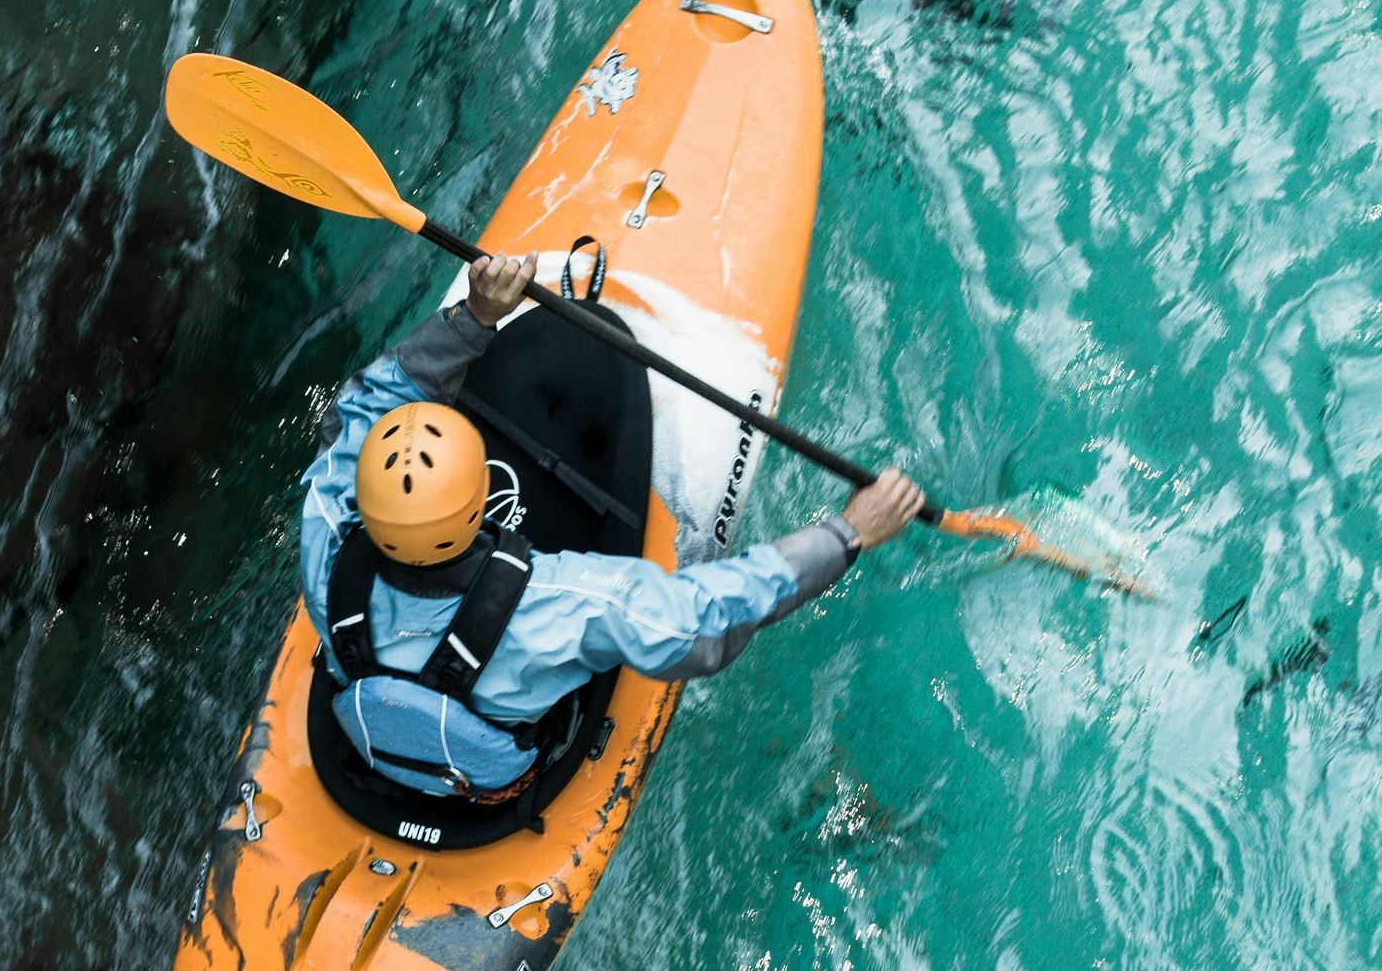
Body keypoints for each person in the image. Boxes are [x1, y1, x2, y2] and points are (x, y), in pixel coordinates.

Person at [301, 252, 925, 803]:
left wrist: (472, 318)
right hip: (497, 776)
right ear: (481, 502)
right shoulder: (560, 604)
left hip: (375, 733)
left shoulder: (327, 528)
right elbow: (703, 623)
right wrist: (848, 533)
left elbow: (359, 411)